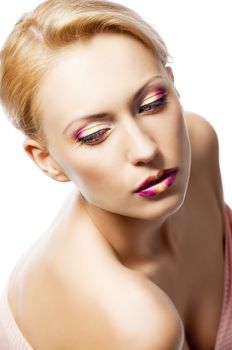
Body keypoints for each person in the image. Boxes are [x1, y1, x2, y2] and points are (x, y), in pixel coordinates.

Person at [0, 0, 231, 349]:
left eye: (152, 104)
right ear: (46, 160)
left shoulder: (198, 145)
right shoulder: (135, 324)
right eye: (94, 134)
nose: (145, 150)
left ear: (172, 83)